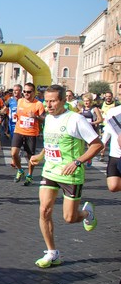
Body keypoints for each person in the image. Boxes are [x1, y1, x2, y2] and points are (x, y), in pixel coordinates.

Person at [29, 85, 103, 268]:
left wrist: (77, 161)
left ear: (63, 101)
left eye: (53, 101)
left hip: (71, 174)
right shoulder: (48, 119)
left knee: (69, 218)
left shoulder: (75, 119)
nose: (49, 105)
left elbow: (97, 145)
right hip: (50, 171)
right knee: (44, 210)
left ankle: (87, 213)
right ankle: (52, 253)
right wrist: (39, 156)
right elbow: (51, 143)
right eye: (46, 101)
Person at [11, 83, 45, 186]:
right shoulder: (20, 101)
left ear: (34, 92)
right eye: (24, 91)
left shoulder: (38, 104)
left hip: (31, 133)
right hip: (19, 131)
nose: (26, 93)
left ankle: (29, 175)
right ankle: (20, 170)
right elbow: (18, 114)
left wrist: (35, 116)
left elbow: (44, 118)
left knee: (30, 157)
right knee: (14, 153)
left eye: (29, 92)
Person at [101, 103, 121, 192]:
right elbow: (108, 129)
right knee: (113, 186)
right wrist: (103, 143)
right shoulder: (113, 111)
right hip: (115, 154)